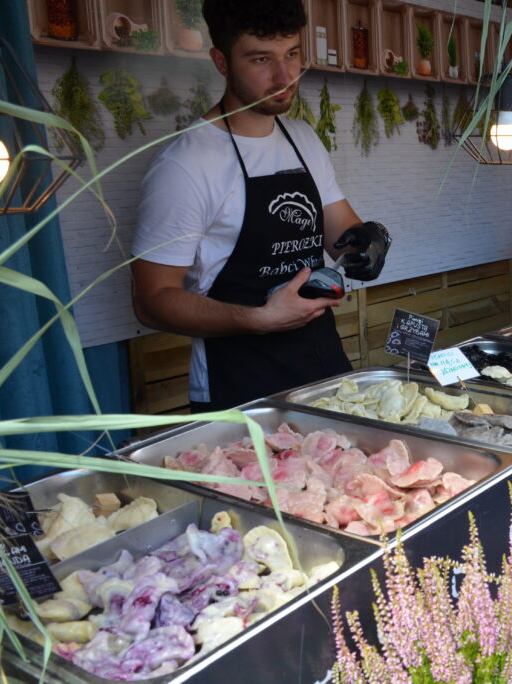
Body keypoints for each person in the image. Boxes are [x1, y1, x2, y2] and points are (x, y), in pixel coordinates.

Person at [131, 0, 389, 411]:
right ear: (221, 61)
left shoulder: (302, 139)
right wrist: (257, 319)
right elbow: (151, 300)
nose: (284, 76)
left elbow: (342, 235)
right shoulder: (185, 164)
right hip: (237, 387)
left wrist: (369, 242)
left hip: (324, 371)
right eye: (261, 59)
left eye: (292, 54)